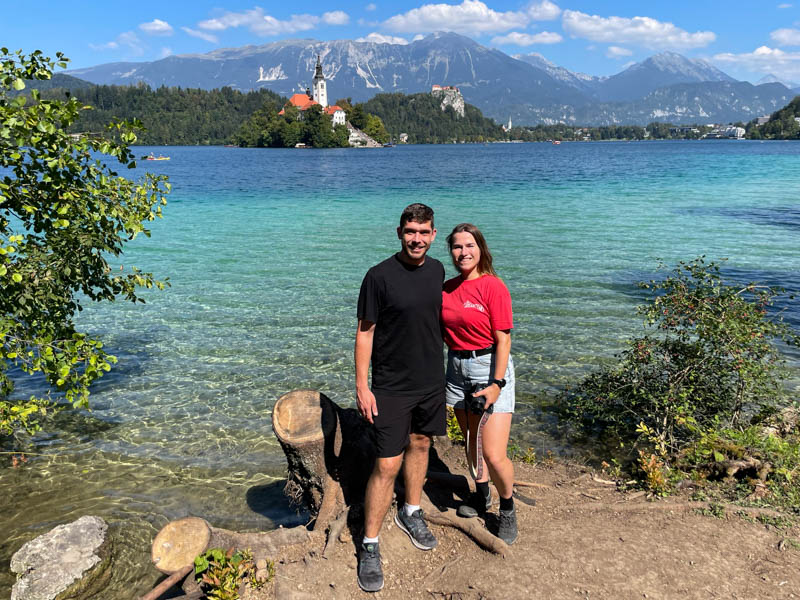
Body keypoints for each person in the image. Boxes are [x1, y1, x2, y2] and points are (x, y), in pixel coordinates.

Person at [354, 203, 446, 593]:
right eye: (411, 231)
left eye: (424, 232)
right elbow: (365, 333)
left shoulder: (439, 270)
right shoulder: (379, 276)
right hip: (391, 385)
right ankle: (369, 543)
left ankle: (411, 511)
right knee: (387, 464)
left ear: (433, 235)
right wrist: (362, 385)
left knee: (421, 444)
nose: (417, 239)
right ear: (399, 232)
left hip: (431, 381)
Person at [441, 223, 518, 545]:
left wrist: (497, 383)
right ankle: (481, 494)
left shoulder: (493, 287)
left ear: (480, 249)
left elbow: (503, 340)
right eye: (457, 247)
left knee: (493, 452)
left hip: (490, 368)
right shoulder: (445, 288)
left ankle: (508, 508)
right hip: (456, 368)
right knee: (471, 443)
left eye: (469, 245)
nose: (463, 252)